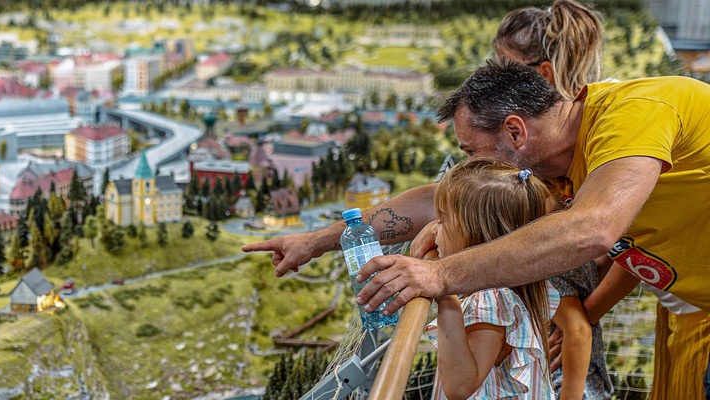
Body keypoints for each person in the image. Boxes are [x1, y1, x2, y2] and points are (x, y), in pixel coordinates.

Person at [242, 59, 710, 397]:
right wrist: (317, 240)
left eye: (470, 152)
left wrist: (440, 276)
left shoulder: (635, 114)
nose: (467, 166)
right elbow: (440, 196)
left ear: (514, 132)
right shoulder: (556, 165)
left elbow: (593, 229)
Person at [493, 2, 618, 398]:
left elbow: (634, 247)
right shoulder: (560, 138)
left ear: (543, 74)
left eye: (504, 70)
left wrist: (582, 319)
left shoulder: (604, 132)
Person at [427, 158, 555, 400]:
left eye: (442, 221)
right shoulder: (516, 285)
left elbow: (460, 386)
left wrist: (443, 291)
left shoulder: (489, 298)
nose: (434, 230)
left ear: (475, 232)